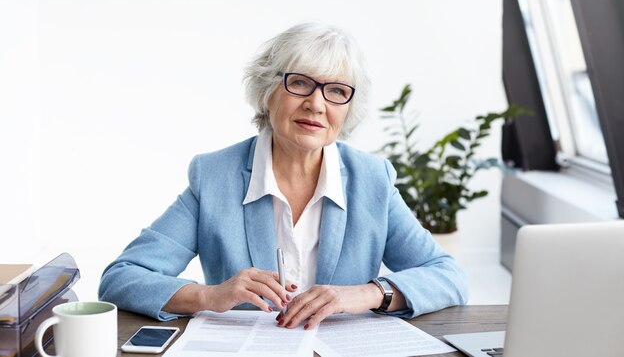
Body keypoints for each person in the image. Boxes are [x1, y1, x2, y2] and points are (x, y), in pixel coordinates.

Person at [98, 22, 468, 329]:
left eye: (336, 91)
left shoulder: (372, 179)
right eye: (301, 83)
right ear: (268, 90)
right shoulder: (214, 176)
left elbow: (447, 276)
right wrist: (210, 296)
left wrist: (367, 293)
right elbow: (121, 277)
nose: (316, 104)